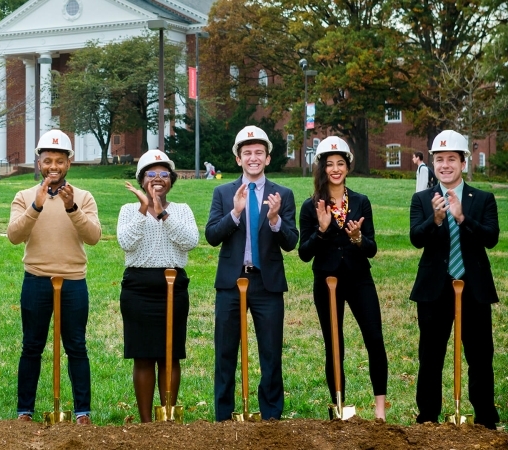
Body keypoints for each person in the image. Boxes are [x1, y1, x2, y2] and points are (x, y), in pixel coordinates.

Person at [7, 129, 102, 425]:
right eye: (48, 160)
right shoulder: (24, 197)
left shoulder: (83, 197)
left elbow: (94, 236)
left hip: (73, 281)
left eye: (59, 161)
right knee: (32, 345)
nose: (53, 167)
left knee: (76, 346)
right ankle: (25, 410)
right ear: (39, 163)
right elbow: (13, 235)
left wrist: (72, 207)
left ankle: (82, 411)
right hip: (36, 280)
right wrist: (36, 205)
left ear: (68, 164)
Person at [205, 125, 298, 421]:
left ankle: (271, 416)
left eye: (259, 152)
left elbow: (291, 241)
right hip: (232, 282)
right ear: (238, 159)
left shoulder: (282, 194)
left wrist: (274, 220)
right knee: (225, 352)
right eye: (247, 153)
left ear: (268, 158)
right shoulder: (224, 192)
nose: (253, 158)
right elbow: (211, 236)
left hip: (267, 284)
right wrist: (234, 213)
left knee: (271, 353)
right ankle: (223, 415)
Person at [409, 130, 500, 429]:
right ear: (433, 163)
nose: (445, 165)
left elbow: (491, 238)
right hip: (434, 289)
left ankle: (485, 418)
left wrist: (462, 218)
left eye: (451, 159)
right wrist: (435, 220)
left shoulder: (483, 199)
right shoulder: (422, 199)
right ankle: (427, 417)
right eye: (439, 159)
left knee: (480, 356)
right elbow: (416, 239)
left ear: (463, 163)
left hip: (473, 288)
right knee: (431, 356)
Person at [297, 136, 388, 420]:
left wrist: (359, 239)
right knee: (334, 343)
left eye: (340, 163)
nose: (335, 169)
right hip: (327, 282)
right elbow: (304, 253)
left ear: (348, 166)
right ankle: (339, 407)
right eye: (329, 164)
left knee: (374, 337)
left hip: (359, 278)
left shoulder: (361, 202)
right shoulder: (310, 206)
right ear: (321, 168)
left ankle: (380, 410)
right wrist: (322, 230)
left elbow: (372, 249)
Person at [117, 149, 199, 422]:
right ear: (141, 179)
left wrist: (162, 213)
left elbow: (189, 241)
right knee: (142, 356)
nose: (158, 179)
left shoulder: (182, 210)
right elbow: (127, 243)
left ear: (171, 180)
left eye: (164, 174)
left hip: (173, 288)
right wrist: (144, 209)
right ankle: (145, 423)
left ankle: (167, 418)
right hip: (138, 289)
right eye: (151, 174)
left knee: (169, 355)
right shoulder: (129, 210)